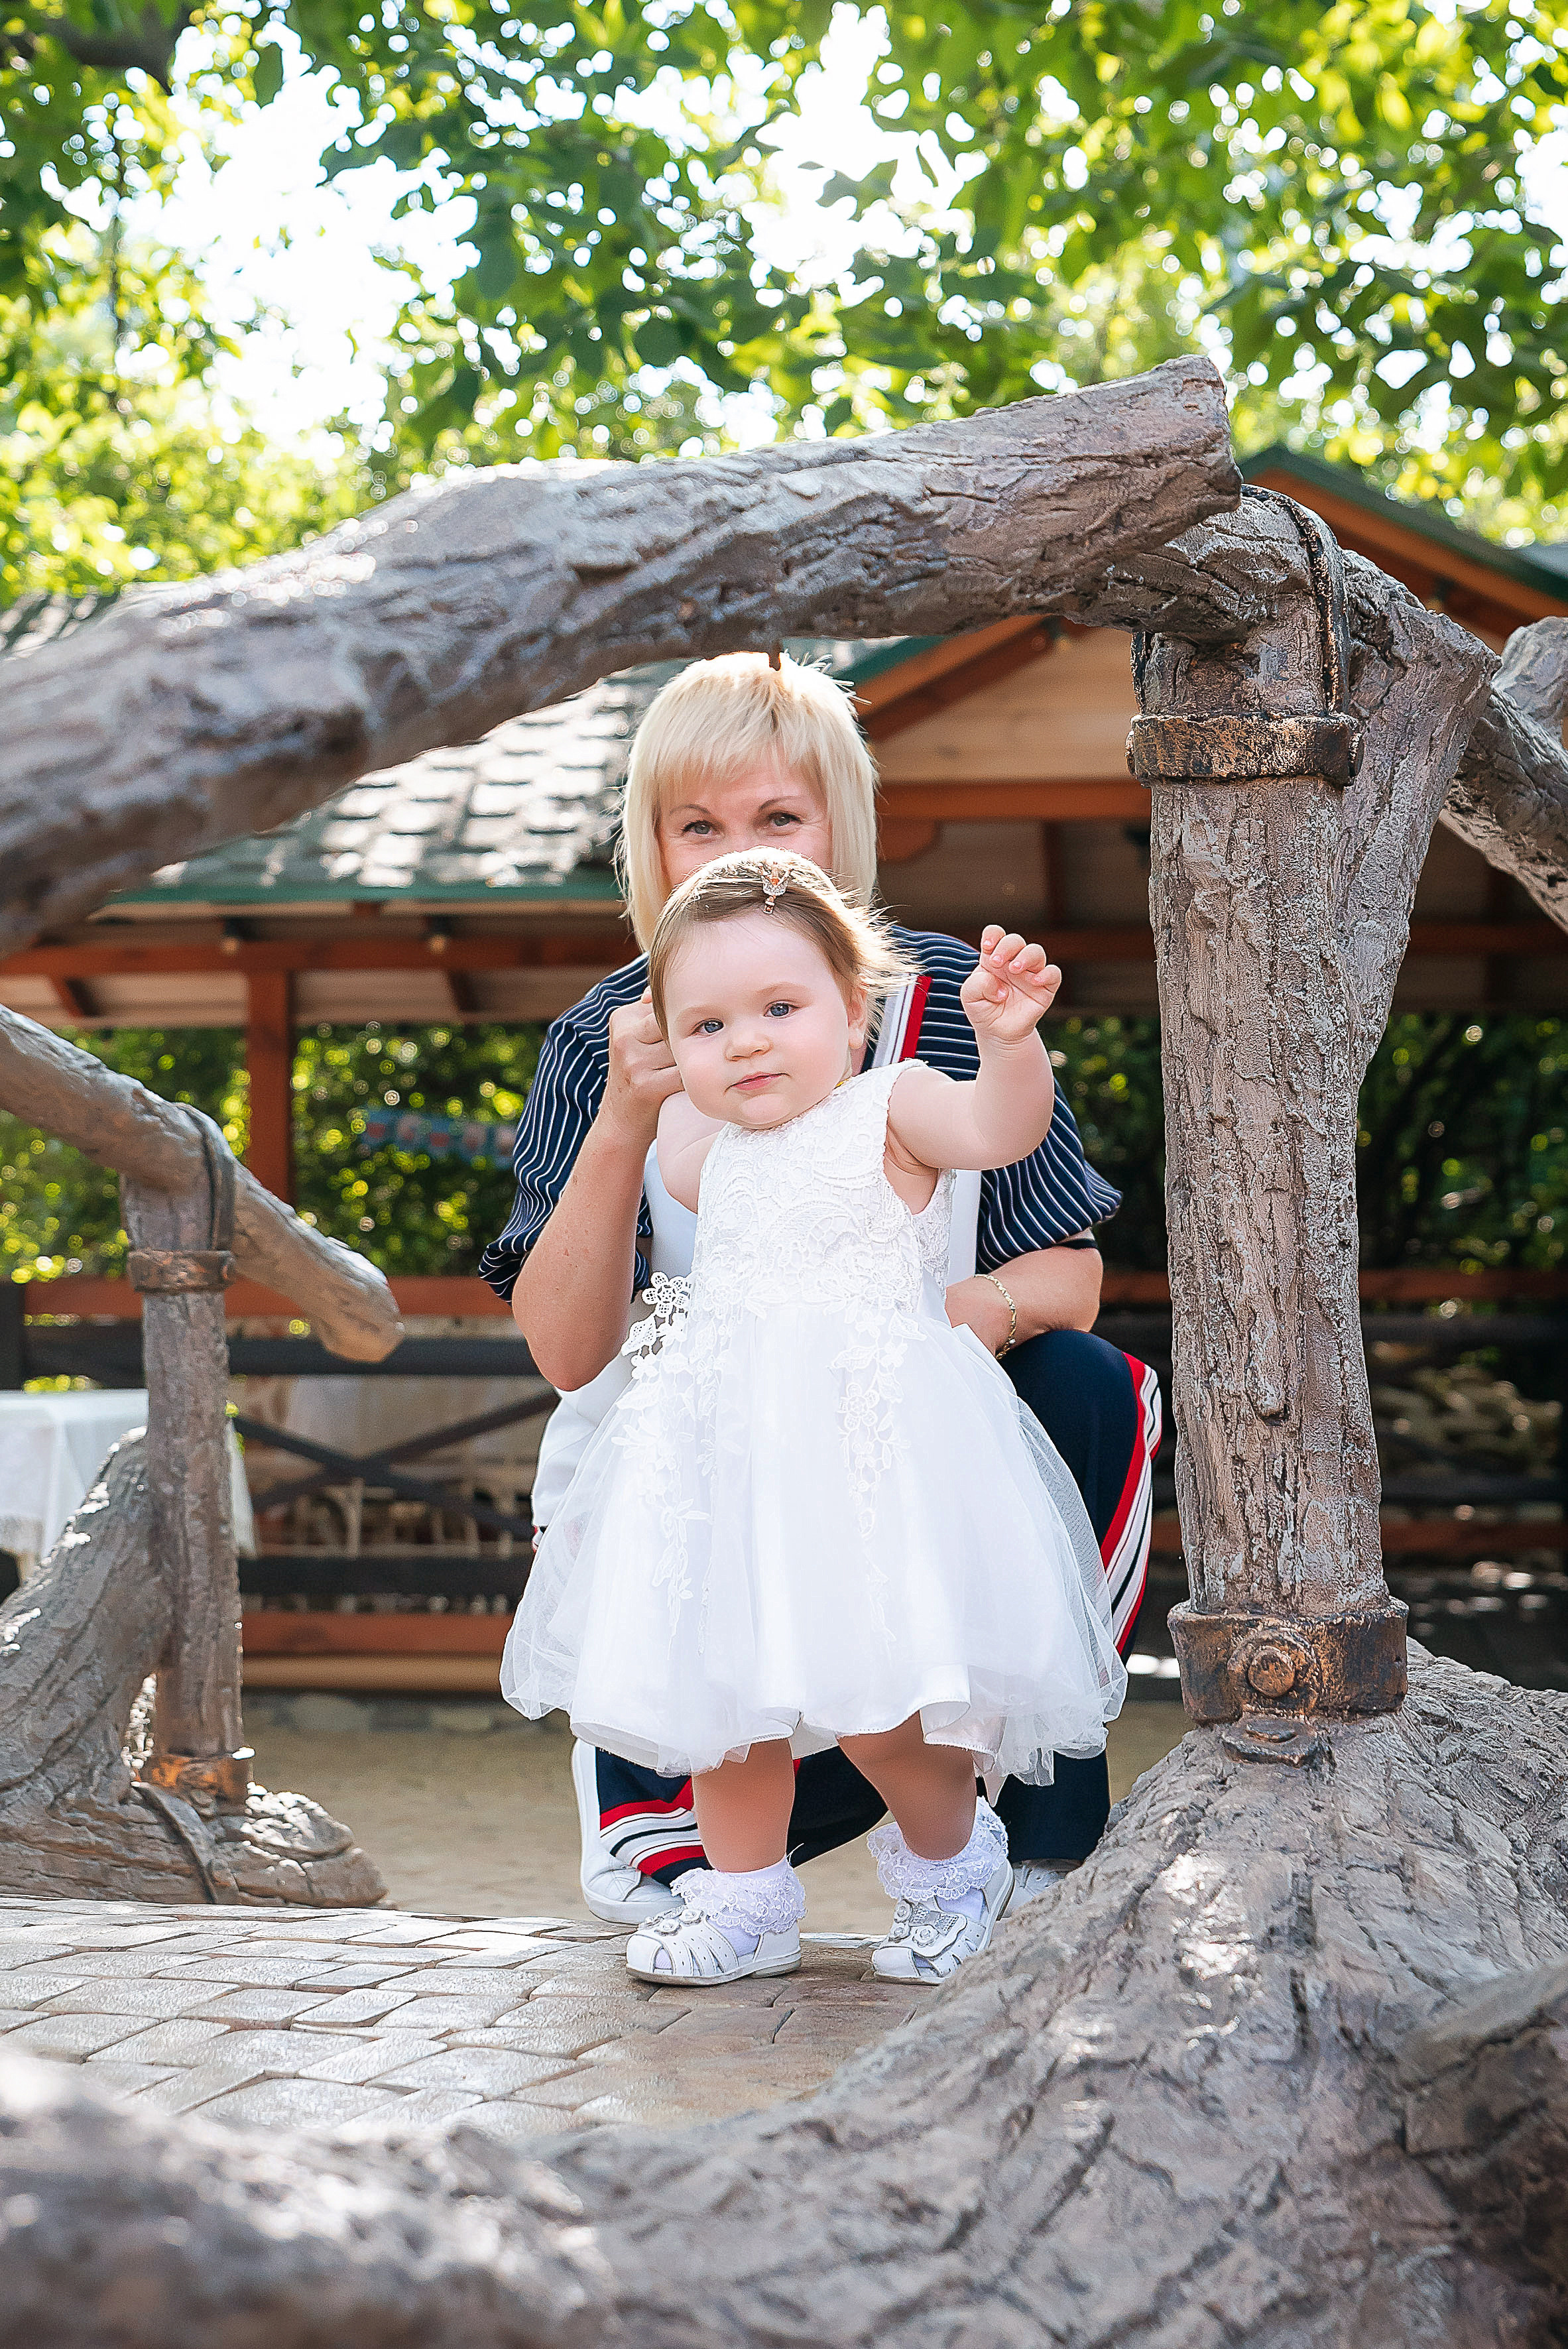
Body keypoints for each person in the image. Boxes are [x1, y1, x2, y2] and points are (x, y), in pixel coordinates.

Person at [479, 651, 1161, 1921]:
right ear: (651, 844)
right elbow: (570, 1356)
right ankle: (720, 1864)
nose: (741, 856)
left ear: (840, 828)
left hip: (898, 1466)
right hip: (709, 1469)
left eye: (777, 818)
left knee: (1087, 1383)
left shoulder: (939, 1003)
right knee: (656, 1894)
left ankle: (1029, 1832)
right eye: (699, 827)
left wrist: (893, 1348)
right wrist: (625, 1125)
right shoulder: (608, 1036)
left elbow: (1069, 1270)